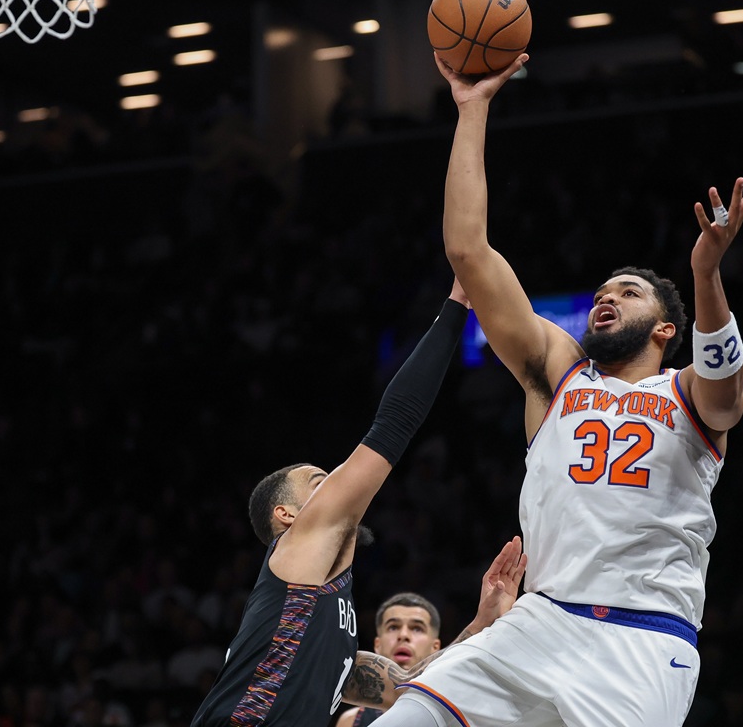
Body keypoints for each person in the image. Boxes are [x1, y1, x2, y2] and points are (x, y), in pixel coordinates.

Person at [373, 54, 743, 727]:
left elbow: (728, 393)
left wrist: (705, 273)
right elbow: (469, 252)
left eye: (630, 292)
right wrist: (471, 111)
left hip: (642, 642)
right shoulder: (559, 373)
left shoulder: (689, 391)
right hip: (540, 622)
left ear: (666, 328)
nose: (608, 298)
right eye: (603, 292)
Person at [190, 279, 526, 727]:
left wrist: (481, 622)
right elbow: (395, 421)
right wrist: (457, 306)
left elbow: (410, 685)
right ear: (287, 516)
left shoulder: (331, 627)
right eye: (319, 483)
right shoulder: (296, 553)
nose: (336, 487)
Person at [336, 593, 444, 727]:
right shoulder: (351, 721)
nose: (403, 635)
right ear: (378, 644)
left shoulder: (452, 716)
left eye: (417, 628)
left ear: (436, 648)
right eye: (393, 627)